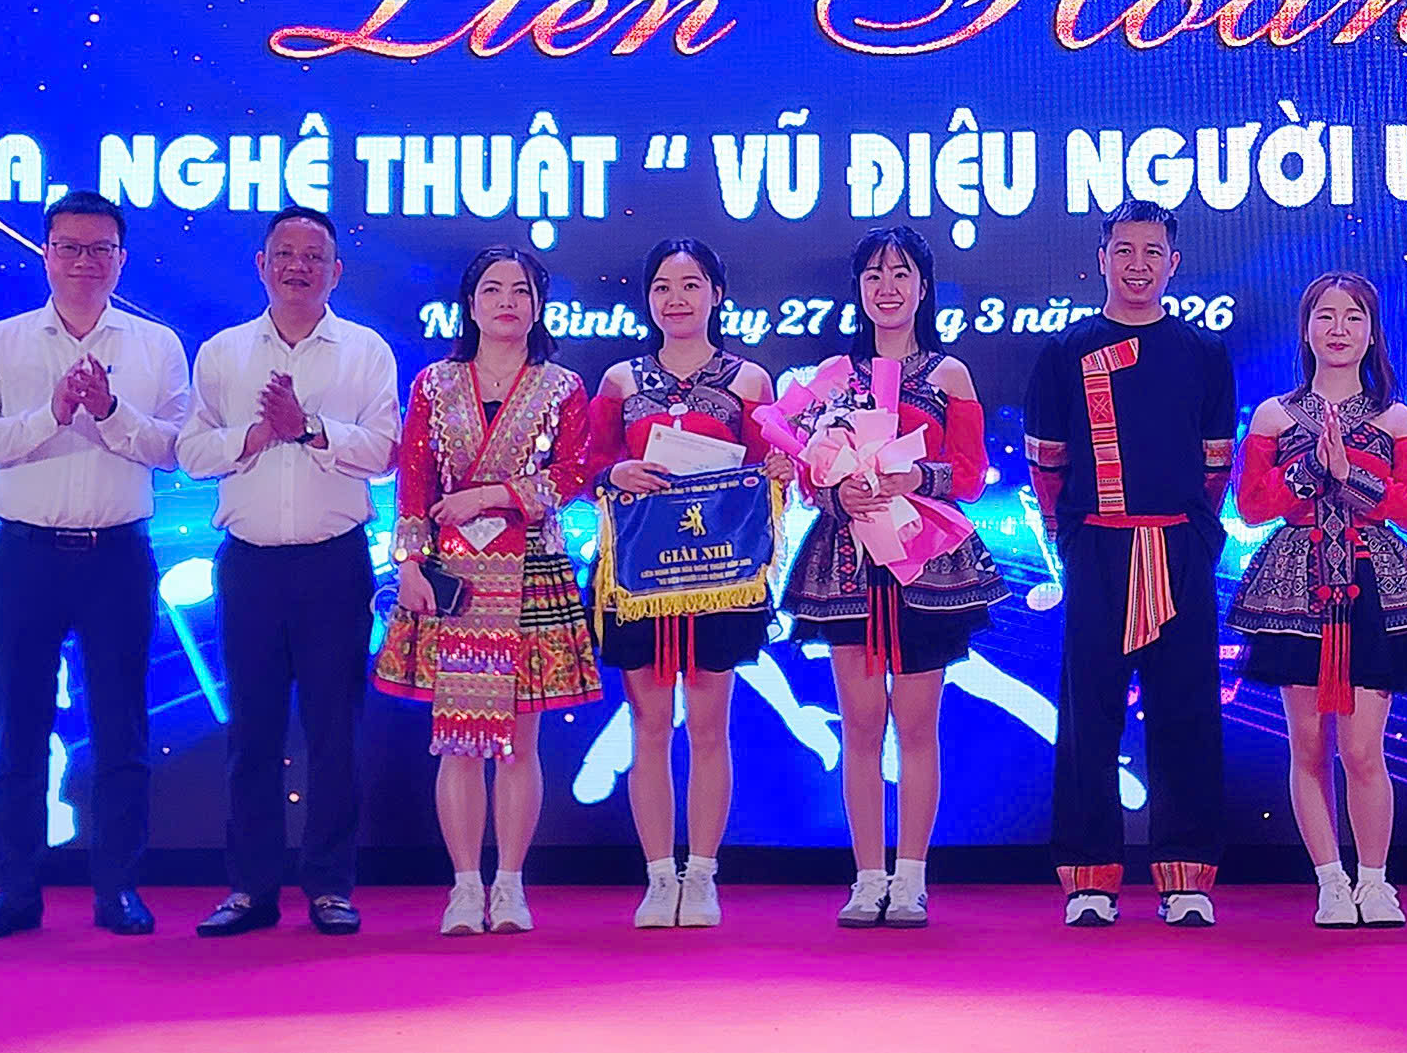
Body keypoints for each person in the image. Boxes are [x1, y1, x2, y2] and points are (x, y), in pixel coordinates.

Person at [0, 189, 189, 939]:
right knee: (18, 728)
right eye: (70, 247)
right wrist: (50, 414)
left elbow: (175, 449)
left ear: (122, 258)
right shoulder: (2, 342)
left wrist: (110, 411)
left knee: (122, 730)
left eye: (100, 249)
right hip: (24, 558)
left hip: (118, 557)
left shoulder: (156, 345)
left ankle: (118, 889)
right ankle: (16, 892)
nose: (85, 261)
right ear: (46, 254)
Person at [774, 227, 1007, 929]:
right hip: (846, 565)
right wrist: (831, 489)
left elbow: (969, 474)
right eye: (874, 275)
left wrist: (914, 478)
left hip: (922, 563)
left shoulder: (949, 375)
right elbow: (804, 469)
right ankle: (866, 875)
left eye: (901, 274)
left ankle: (911, 877)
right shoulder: (829, 376)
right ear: (859, 288)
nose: (887, 287)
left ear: (923, 287)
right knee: (860, 725)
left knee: (917, 725)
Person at [178, 208, 400, 937]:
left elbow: (385, 452)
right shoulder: (222, 351)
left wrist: (308, 428)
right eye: (285, 253)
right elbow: (191, 452)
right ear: (262, 264)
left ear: (336, 271)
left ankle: (331, 886)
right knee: (253, 730)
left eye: (313, 256)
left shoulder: (365, 351)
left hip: (335, 564)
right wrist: (254, 434)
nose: (298, 266)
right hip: (249, 566)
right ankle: (251, 888)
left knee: (335, 732)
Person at [1023, 200, 1236, 928]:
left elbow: (1215, 467)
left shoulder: (1204, 354)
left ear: (1174, 263)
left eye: (1152, 252)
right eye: (1124, 250)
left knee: (1188, 710)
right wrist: (1076, 542)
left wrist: (1194, 540)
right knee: (1090, 713)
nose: (1138, 265)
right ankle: (1089, 877)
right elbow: (1047, 468)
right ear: (1102, 258)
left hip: (1179, 546)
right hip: (1098, 547)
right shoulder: (1064, 352)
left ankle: (1187, 876)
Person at [585, 238, 793, 929]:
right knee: (648, 726)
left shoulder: (749, 380)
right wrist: (613, 474)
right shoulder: (619, 380)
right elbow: (586, 469)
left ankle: (701, 873)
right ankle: (656, 875)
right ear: (647, 298)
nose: (676, 299)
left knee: (709, 726)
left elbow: (769, 477)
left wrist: (781, 474)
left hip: (717, 577)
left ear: (716, 294)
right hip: (639, 577)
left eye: (691, 284)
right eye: (663, 287)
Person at [392, 247, 601, 935]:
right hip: (453, 577)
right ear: (471, 303)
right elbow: (414, 482)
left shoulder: (562, 386)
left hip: (532, 567)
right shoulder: (434, 383)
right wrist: (409, 563)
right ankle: (463, 886)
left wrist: (492, 494)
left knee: (518, 741)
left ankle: (509, 882)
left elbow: (573, 473)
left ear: (538, 306)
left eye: (521, 290)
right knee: (457, 741)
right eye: (492, 289)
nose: (506, 301)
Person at [1226, 272, 1407, 929]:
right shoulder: (1274, 415)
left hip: (1374, 587)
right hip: (1296, 589)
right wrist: (1314, 468)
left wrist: (1351, 474)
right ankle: (1330, 881)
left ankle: (1375, 880)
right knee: (1308, 747)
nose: (1339, 329)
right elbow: (1251, 506)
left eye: (1354, 317)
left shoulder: (1397, 417)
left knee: (1363, 750)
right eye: (1326, 316)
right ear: (1306, 328)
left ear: (1373, 333)